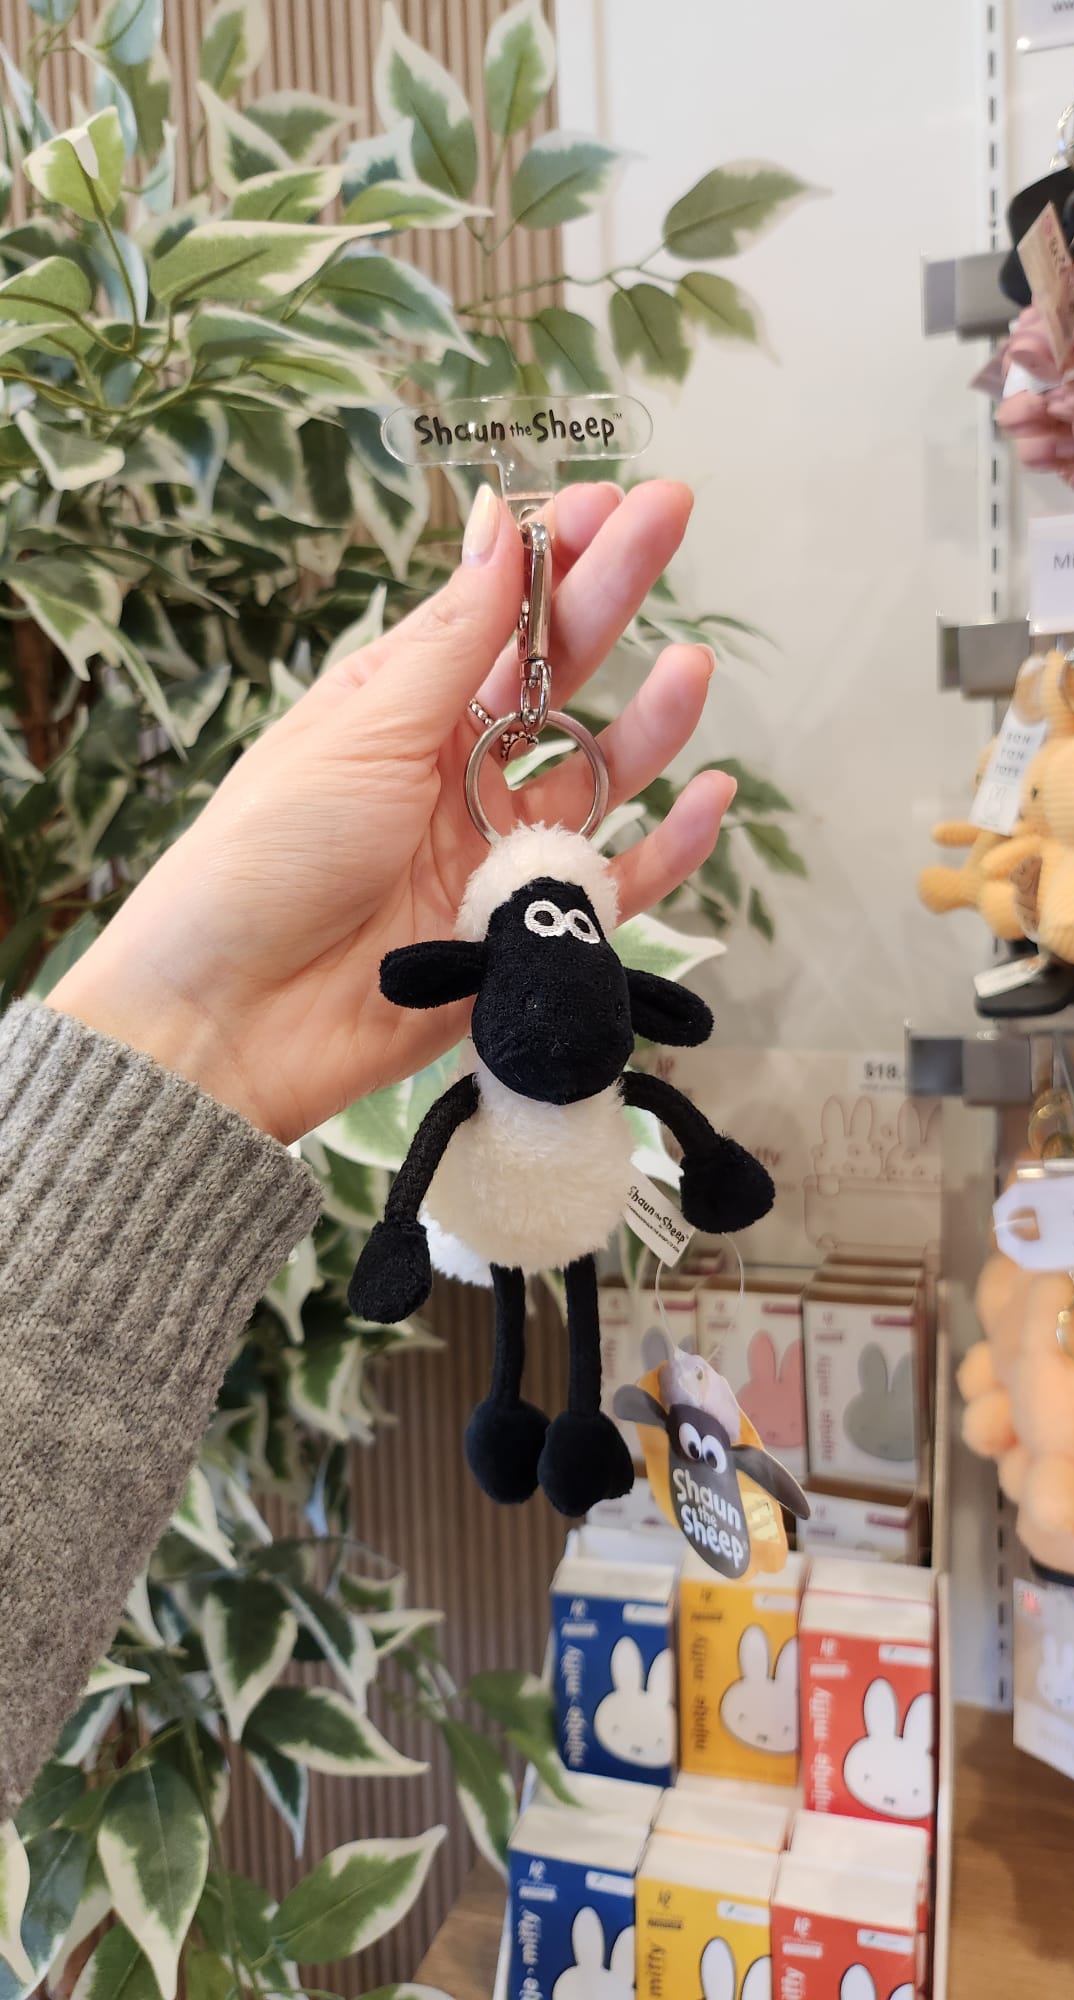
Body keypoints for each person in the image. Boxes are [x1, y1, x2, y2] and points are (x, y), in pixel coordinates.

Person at [0, 479, 734, 1815]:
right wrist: (398, 1232)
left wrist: (704, 1153)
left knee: (571, 1284)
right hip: (505, 1174)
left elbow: (646, 1079)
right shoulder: (466, 965)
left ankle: (565, 1417)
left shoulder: (556, 981)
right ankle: (518, 1408)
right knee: (525, 1293)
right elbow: (442, 1122)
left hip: (568, 1171)